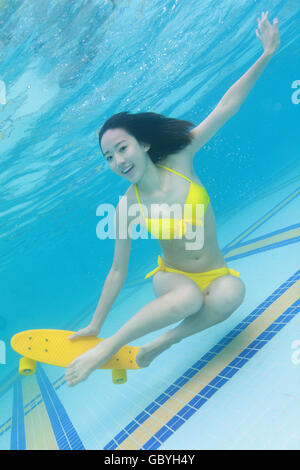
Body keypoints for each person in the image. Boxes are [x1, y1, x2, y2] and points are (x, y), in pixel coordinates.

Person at [65, 11, 280, 386]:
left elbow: (226, 107)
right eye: (109, 157)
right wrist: (96, 327)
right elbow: (117, 271)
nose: (117, 161)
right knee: (188, 301)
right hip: (172, 278)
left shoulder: (181, 158)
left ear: (143, 143)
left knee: (232, 293)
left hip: (214, 270)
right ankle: (108, 348)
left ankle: (163, 342)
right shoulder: (126, 205)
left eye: (122, 148)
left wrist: (265, 55)